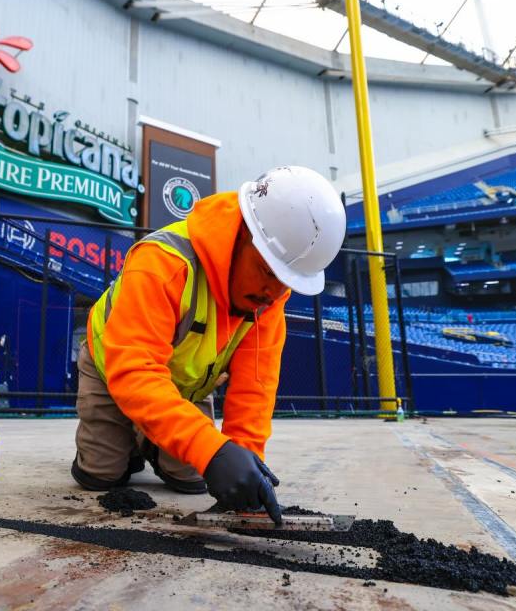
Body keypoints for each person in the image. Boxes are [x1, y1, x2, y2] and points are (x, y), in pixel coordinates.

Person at [72, 166, 346, 523]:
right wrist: (210, 449)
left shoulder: (268, 299)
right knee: (101, 477)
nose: (273, 293)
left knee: (196, 479)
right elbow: (134, 373)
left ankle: (151, 437)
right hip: (111, 374)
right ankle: (131, 439)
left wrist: (245, 467)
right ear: (241, 235)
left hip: (184, 389)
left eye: (285, 280)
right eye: (267, 271)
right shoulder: (162, 263)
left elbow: (254, 390)